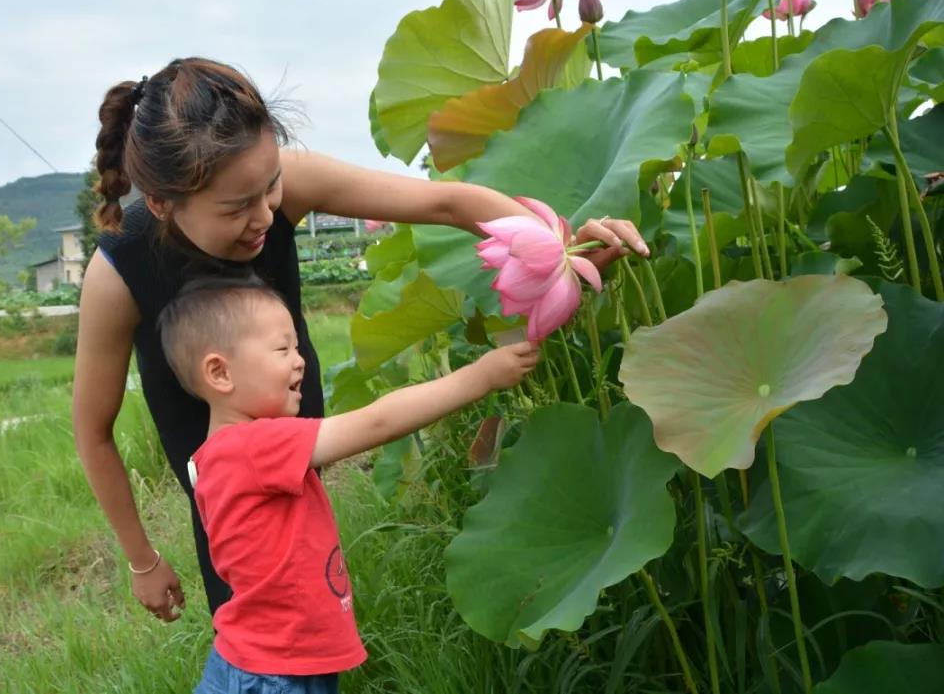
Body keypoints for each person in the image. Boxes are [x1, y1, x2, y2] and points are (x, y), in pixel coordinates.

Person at [72, 56, 648, 624]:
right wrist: (142, 561)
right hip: (220, 481)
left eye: (270, 185)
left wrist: (560, 248)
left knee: (316, 600)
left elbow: (447, 203)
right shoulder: (118, 275)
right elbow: (93, 432)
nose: (265, 215)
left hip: (302, 438)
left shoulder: (283, 188)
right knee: (250, 622)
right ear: (161, 203)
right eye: (236, 207)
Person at [156, 275, 540, 693]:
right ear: (219, 372)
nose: (300, 359)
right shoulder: (257, 446)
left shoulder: (213, 455)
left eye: (297, 347)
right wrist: (480, 377)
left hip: (256, 661)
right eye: (282, 348)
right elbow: (378, 421)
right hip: (276, 673)